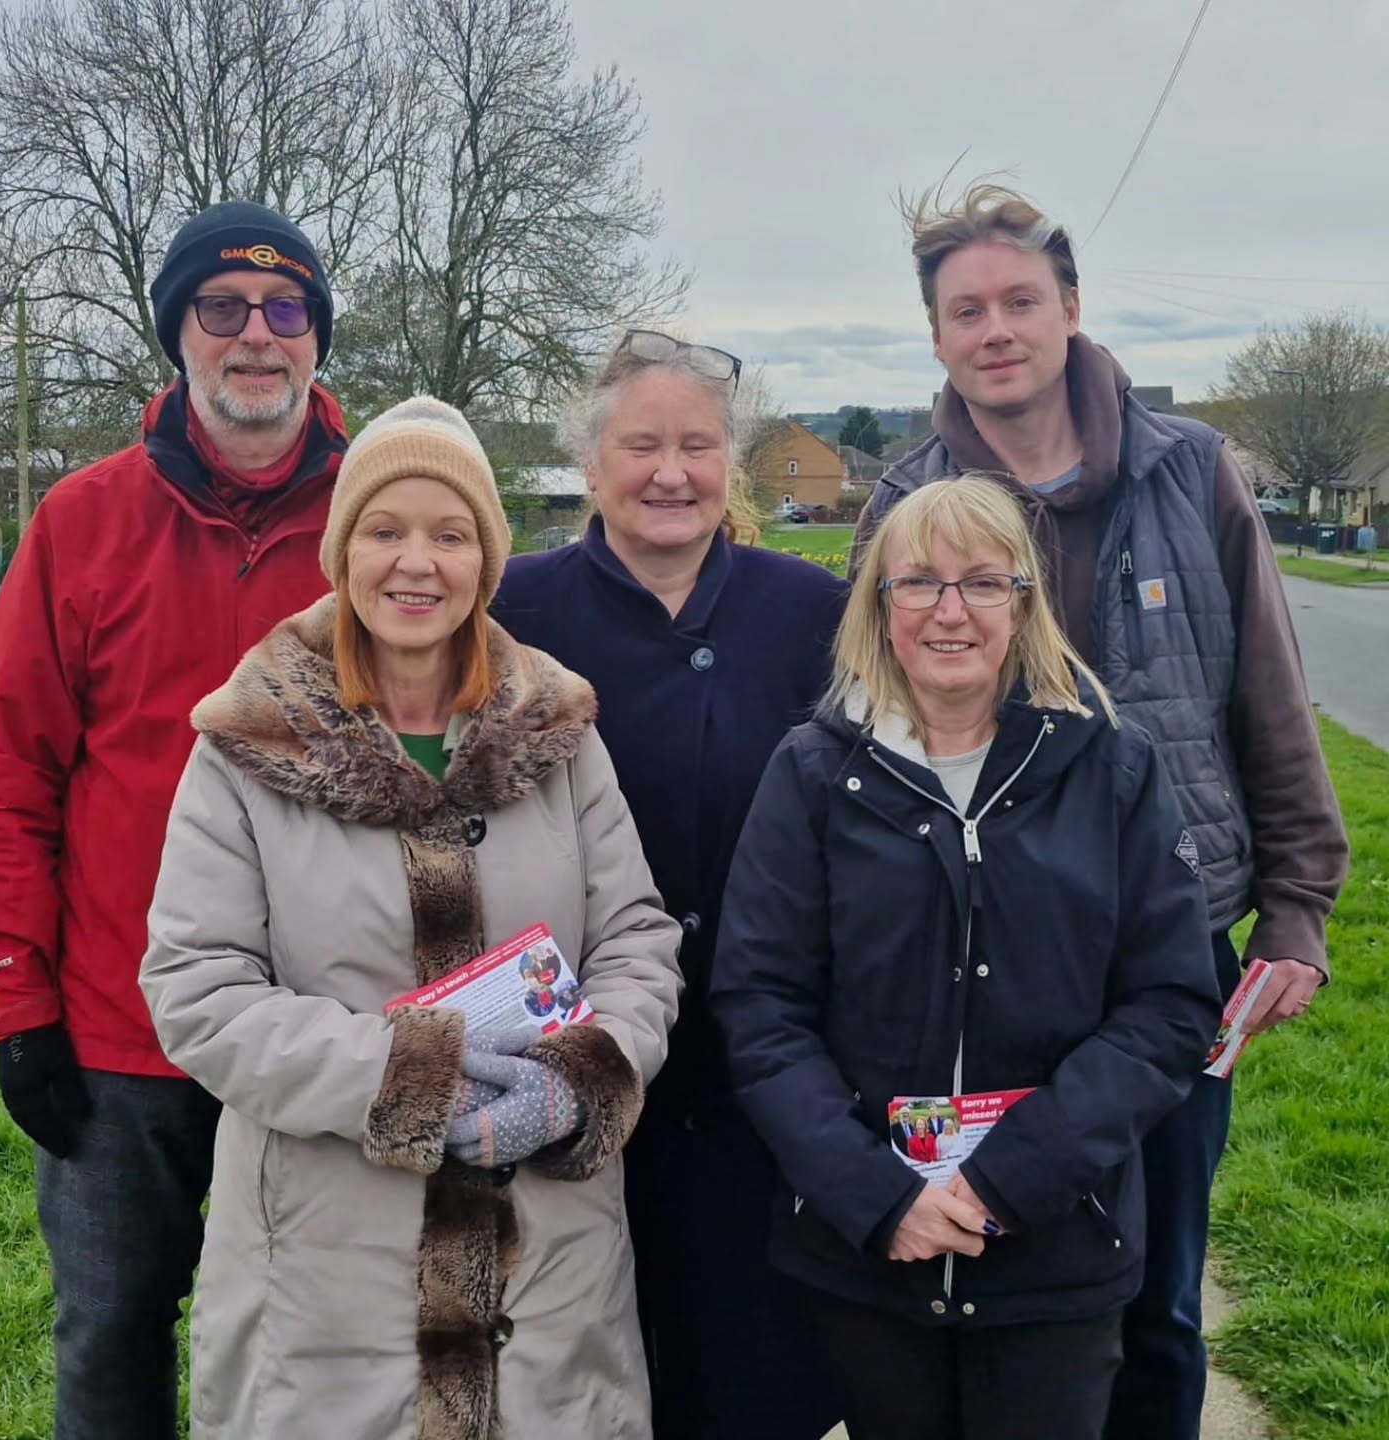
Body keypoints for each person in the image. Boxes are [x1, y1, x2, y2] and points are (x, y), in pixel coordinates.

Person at [851, 183, 1349, 1440]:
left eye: (1022, 300)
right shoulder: (900, 503)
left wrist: (1294, 912)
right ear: (937, 336)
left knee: (1158, 1294)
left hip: (1170, 957)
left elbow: (1269, 700)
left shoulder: (1194, 473)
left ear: (1070, 309)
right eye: (967, 309)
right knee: (999, 1282)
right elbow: (865, 719)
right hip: (976, 963)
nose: (997, 328)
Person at [140, 396, 683, 1440]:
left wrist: (581, 1077)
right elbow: (199, 989)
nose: (416, 564)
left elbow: (638, 941)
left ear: (488, 557)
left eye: (451, 534)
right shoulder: (249, 747)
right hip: (328, 1264)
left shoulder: (559, 733)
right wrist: (415, 1080)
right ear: (344, 552)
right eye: (387, 531)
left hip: (548, 1267)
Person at [713, 475, 1223, 1440]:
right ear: (879, 607)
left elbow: (1167, 1007)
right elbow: (760, 1004)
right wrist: (876, 1196)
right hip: (870, 1251)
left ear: (1024, 606)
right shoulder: (814, 775)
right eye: (919, 584)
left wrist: (1008, 1180)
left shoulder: (1112, 769)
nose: (951, 612)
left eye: (984, 583)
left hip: (1057, 1248)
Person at [0, 199, 349, 1440]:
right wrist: (19, 1003)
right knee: (115, 1334)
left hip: (317, 1027)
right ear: (177, 331)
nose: (255, 337)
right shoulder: (82, 522)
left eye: (286, 311)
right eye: (221, 308)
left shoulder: (378, 526)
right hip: (122, 1040)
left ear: (317, 342)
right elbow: (7, 773)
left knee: (319, 1346)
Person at [493, 329, 847, 1439]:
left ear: (728, 468)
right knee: (581, 1355)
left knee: (749, 1369)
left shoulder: (807, 610)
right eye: (642, 446)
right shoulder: (512, 609)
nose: (671, 472)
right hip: (572, 1046)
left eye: (698, 446)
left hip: (762, 1057)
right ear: (592, 467)